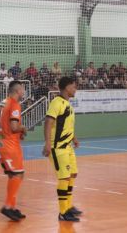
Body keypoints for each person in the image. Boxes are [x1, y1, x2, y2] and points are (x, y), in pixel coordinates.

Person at [42, 76, 82, 222]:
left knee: (72, 175)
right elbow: (48, 122)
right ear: (66, 87)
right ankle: (63, 212)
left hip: (68, 147)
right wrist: (47, 143)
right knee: (64, 177)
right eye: (74, 86)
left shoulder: (68, 104)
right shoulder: (56, 102)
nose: (75, 89)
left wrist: (74, 138)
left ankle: (69, 206)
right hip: (58, 147)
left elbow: (66, 126)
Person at [0, 80, 27, 222]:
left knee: (13, 175)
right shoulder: (14, 104)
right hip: (10, 145)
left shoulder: (3, 102)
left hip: (2, 143)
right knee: (18, 175)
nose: (24, 91)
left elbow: (2, 123)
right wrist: (23, 128)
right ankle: (8, 206)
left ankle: (12, 208)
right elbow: (14, 127)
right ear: (17, 91)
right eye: (22, 89)